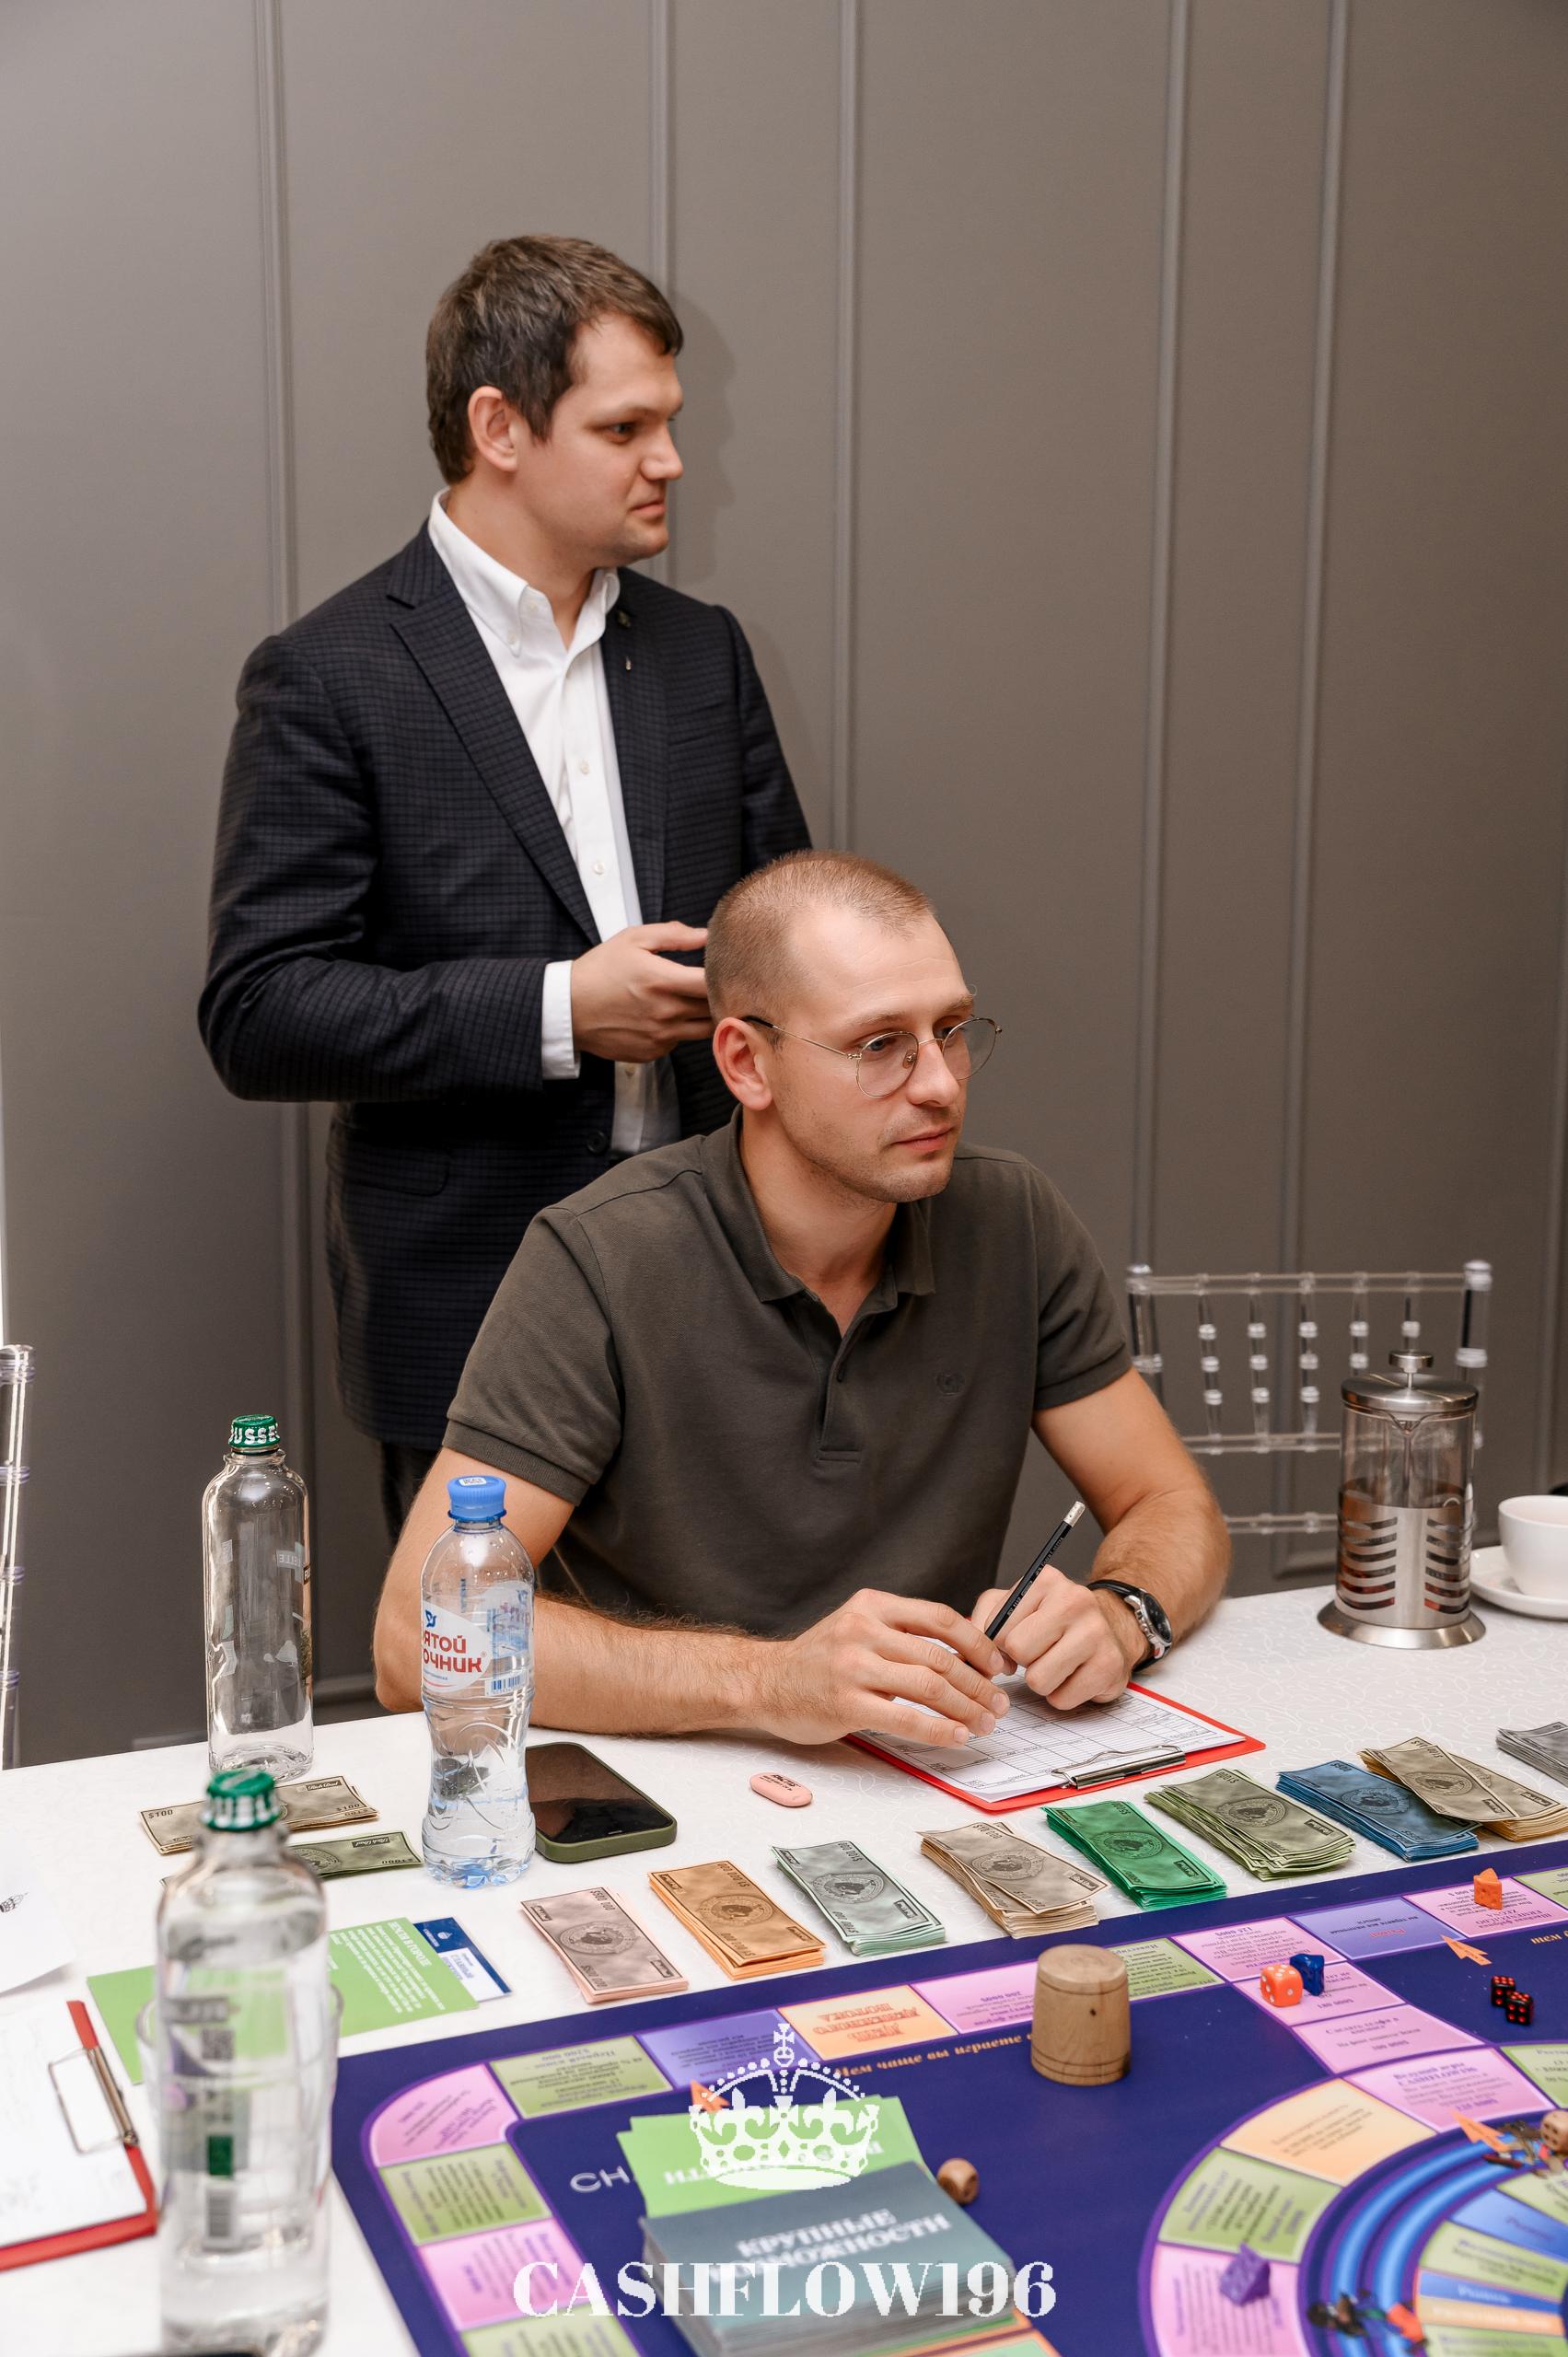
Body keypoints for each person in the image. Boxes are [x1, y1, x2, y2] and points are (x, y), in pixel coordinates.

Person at [200, 236, 809, 1538]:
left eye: (669, 423)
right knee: (482, 1664)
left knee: (731, 1657)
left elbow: (790, 937)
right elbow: (260, 1011)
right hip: (467, 1307)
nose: (670, 461)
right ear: (499, 429)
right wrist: (558, 1010)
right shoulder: (328, 675)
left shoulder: (702, 655)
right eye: (624, 428)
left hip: (724, 1286)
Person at [373, 850, 1230, 1740]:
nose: (940, 1083)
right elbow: (418, 1639)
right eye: (879, 1045)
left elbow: (1169, 1502)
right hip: (672, 1774)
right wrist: (769, 1682)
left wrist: (1124, 1611)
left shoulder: (1010, 1217)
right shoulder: (599, 1254)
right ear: (747, 1063)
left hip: (933, 1762)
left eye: (950, 1028)